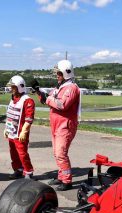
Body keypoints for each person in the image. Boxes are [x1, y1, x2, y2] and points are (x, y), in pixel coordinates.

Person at [34, 59, 81, 191]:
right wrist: (39, 92)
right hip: (57, 124)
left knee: (61, 153)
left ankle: (67, 181)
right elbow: (49, 98)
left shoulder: (71, 88)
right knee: (56, 152)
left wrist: (47, 98)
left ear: (66, 73)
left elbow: (62, 104)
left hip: (65, 125)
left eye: (59, 73)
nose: (57, 76)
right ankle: (61, 176)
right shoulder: (60, 86)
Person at [4, 75, 35, 179]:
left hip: (20, 133)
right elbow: (10, 115)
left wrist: (24, 131)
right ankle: (18, 169)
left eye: (13, 87)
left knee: (22, 153)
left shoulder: (28, 100)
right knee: (13, 152)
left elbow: (29, 119)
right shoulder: (13, 99)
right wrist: (6, 129)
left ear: (19, 87)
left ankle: (28, 172)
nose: (11, 89)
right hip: (12, 131)